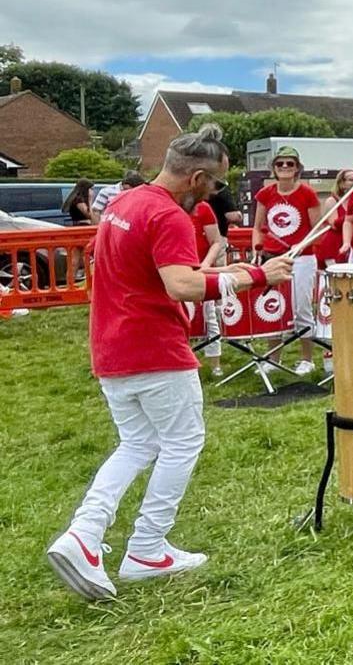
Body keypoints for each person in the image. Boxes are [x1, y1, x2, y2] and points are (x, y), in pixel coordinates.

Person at [45, 123, 293, 601]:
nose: (217, 193)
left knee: (137, 443)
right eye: (218, 184)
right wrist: (257, 275)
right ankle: (146, 546)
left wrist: (236, 272)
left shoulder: (123, 203)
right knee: (182, 442)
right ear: (198, 178)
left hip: (112, 345)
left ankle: (84, 534)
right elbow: (181, 286)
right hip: (154, 348)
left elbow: (151, 274)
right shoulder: (171, 217)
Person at [250, 147, 322, 376]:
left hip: (301, 258)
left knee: (301, 307)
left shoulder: (307, 194)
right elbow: (258, 227)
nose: (284, 167)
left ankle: (307, 359)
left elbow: (317, 229)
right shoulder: (265, 194)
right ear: (274, 167)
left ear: (297, 168)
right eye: (280, 164)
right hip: (273, 257)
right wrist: (256, 251)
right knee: (274, 307)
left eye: (289, 164)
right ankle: (273, 359)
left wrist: (299, 245)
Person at [314, 169, 353, 373]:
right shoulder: (332, 201)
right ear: (342, 183)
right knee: (335, 294)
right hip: (334, 249)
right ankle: (331, 348)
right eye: (352, 179)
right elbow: (334, 222)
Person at [191, 198, 226, 377]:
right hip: (176, 269)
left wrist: (205, 263)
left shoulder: (203, 208)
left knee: (210, 316)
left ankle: (215, 364)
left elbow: (216, 241)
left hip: (201, 268)